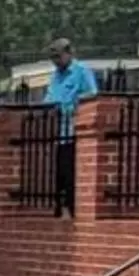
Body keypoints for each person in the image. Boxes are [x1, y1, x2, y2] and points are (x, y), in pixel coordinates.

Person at [45, 37, 99, 210]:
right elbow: (49, 97)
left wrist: (75, 104)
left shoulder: (81, 71)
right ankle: (60, 208)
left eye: (58, 57)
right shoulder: (55, 76)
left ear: (69, 53)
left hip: (73, 130)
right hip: (56, 132)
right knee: (57, 175)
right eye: (53, 58)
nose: (55, 61)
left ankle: (72, 208)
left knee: (71, 174)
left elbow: (93, 94)